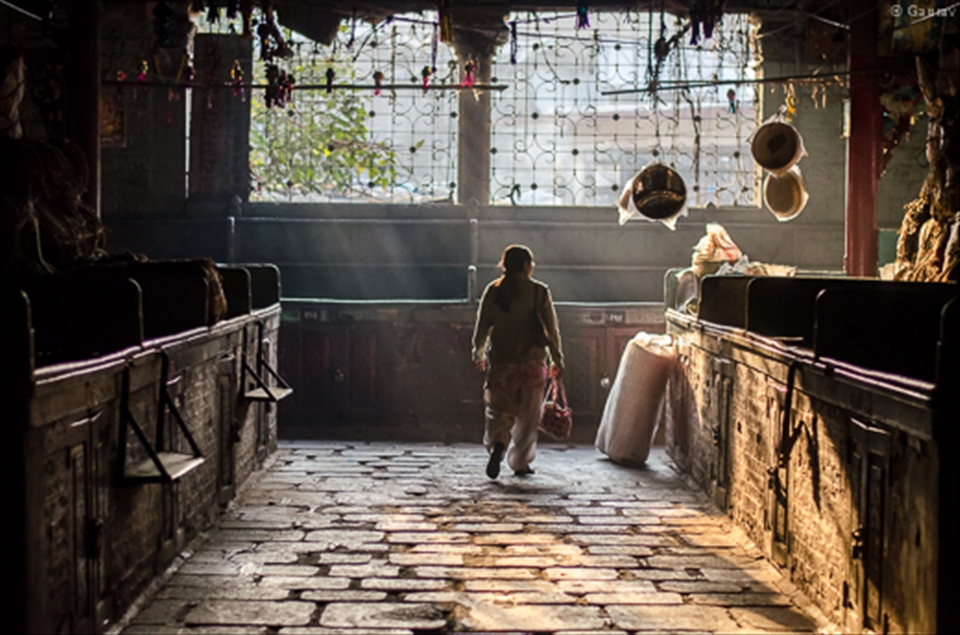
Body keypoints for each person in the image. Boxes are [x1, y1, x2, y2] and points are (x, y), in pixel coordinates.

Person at [472, 244, 564, 479]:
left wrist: (478, 353)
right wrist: (557, 359)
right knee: (527, 418)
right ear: (526, 265)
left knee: (498, 413)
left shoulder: (493, 290)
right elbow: (551, 331)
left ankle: (498, 446)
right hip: (531, 365)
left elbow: (482, 327)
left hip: (501, 364)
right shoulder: (539, 292)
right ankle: (520, 463)